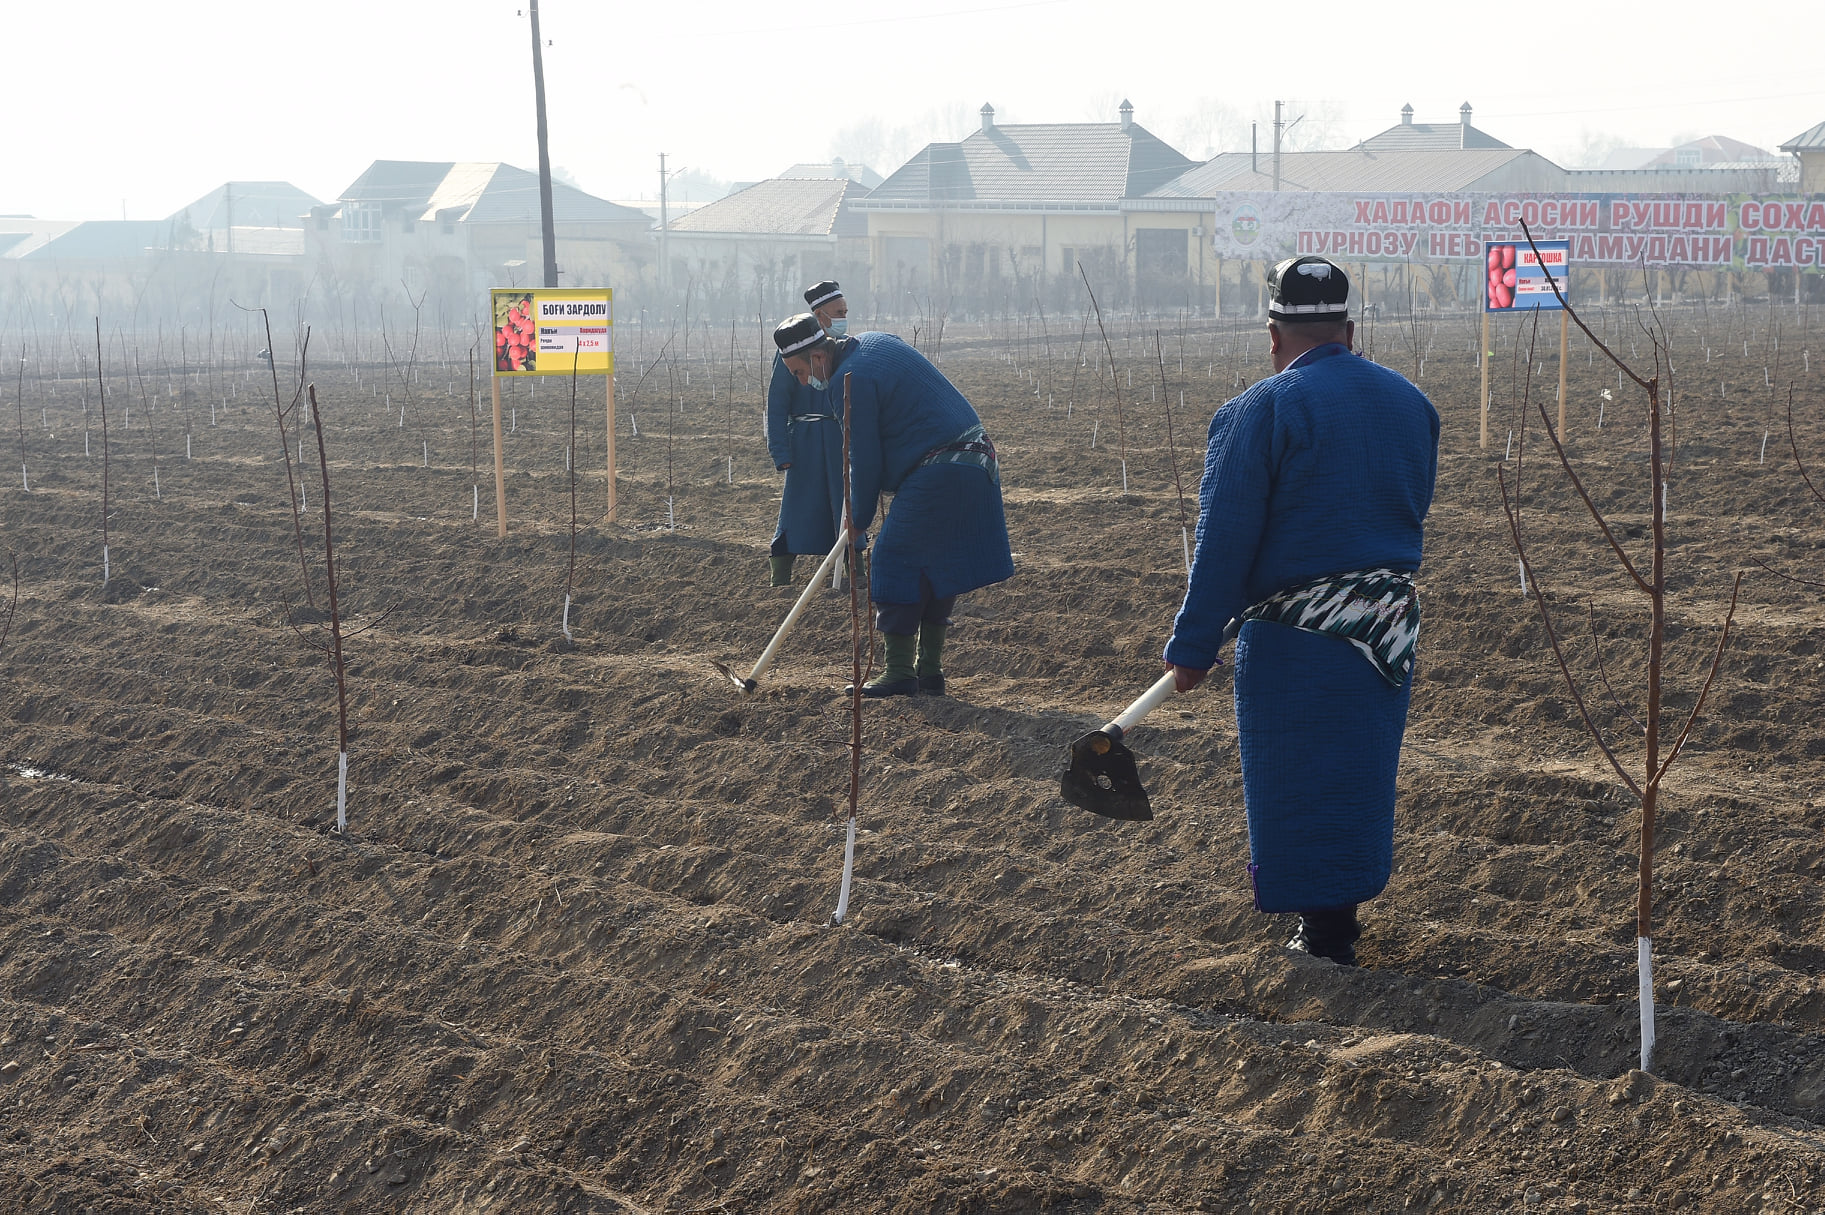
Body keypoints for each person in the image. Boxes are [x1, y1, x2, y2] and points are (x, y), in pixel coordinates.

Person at [1161, 255, 1439, 966]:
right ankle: (1336, 923)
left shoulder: (1260, 409)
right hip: (1386, 632)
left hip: (1298, 639)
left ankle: (1321, 939)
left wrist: (1193, 645)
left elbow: (1224, 539)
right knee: (1356, 774)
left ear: (1273, 335)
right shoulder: (1412, 404)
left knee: (1299, 780)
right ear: (1349, 330)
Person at [772, 313, 1013, 697]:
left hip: (942, 464)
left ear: (817, 357)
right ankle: (929, 672)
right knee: (936, 561)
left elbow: (864, 457)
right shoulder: (874, 341)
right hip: (977, 457)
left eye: (799, 373)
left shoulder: (849, 380)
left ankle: (900, 673)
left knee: (892, 557)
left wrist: (857, 518)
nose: (803, 382)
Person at [763, 280, 859, 586]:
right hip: (804, 443)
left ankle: (855, 568)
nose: (843, 318)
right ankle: (781, 572)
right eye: (838, 312)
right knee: (797, 508)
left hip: (838, 440)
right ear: (819, 315)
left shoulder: (845, 350)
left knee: (847, 504)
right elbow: (777, 404)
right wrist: (780, 450)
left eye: (845, 312)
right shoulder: (791, 354)